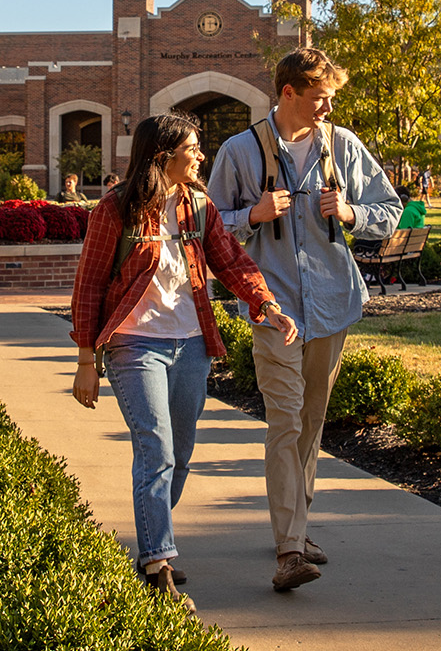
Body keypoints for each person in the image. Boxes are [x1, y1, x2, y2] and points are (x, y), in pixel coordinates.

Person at [70, 112, 299, 595]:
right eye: (192, 149)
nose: (200, 156)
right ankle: (159, 564)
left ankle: (155, 539)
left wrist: (268, 305)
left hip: (191, 342)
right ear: (163, 156)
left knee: (180, 454)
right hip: (134, 343)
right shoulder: (114, 209)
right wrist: (86, 362)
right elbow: (89, 286)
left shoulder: (198, 205)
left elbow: (231, 260)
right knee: (155, 449)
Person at [206, 47, 403, 592]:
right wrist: (253, 214)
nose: (327, 107)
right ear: (288, 93)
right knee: (285, 421)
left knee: (311, 425)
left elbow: (390, 210)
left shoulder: (344, 146)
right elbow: (209, 227)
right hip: (274, 308)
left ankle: (298, 526)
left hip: (333, 304)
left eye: (331, 99)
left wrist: (350, 213)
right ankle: (290, 548)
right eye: (319, 98)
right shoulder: (241, 152)